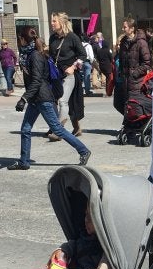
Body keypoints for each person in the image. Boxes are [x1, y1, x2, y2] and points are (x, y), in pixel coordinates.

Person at [8, 26, 91, 170]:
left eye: (18, 38)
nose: (18, 41)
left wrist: (24, 98)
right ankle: (24, 161)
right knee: (26, 129)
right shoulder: (28, 54)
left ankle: (84, 151)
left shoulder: (35, 56)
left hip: (43, 98)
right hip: (35, 98)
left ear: (23, 39)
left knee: (57, 129)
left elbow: (37, 81)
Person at [49, 12, 87, 137]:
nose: (52, 23)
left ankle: (58, 131)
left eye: (54, 21)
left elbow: (83, 55)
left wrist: (74, 67)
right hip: (56, 75)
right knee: (62, 102)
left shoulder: (72, 37)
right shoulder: (52, 38)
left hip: (69, 75)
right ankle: (76, 128)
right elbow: (51, 56)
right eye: (52, 21)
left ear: (62, 22)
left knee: (62, 101)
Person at [117, 16, 152, 114]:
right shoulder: (124, 42)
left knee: (135, 107)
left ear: (132, 28)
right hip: (125, 81)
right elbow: (121, 60)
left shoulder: (141, 42)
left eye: (125, 27)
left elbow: (147, 63)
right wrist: (121, 72)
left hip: (137, 82)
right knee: (124, 105)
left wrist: (134, 73)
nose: (123, 29)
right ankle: (127, 126)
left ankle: (136, 127)